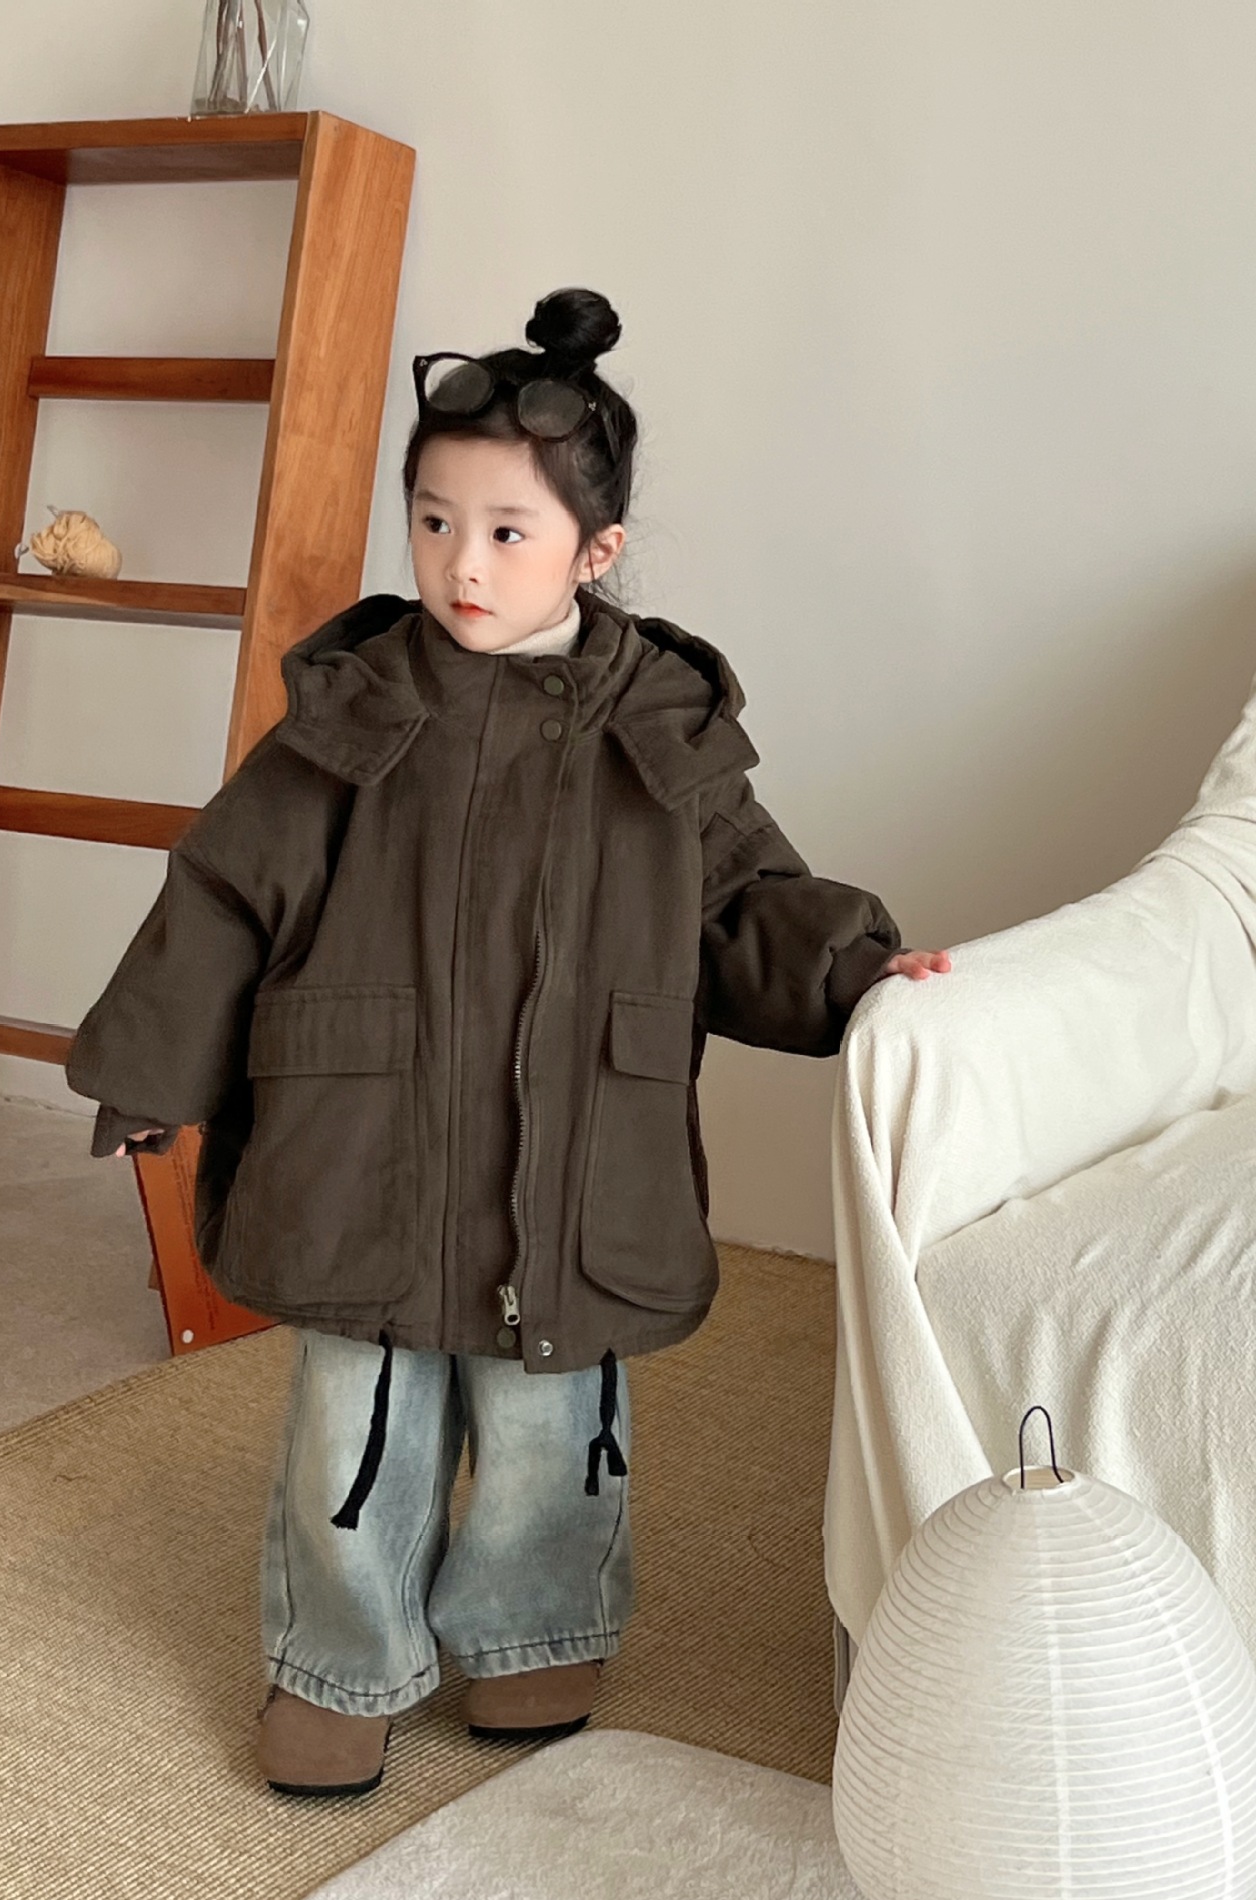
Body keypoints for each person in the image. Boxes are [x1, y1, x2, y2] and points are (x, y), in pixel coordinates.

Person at [64, 286, 952, 1801]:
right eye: (432, 523)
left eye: (505, 531)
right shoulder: (359, 709)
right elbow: (227, 887)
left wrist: (862, 971)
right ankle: (338, 1668)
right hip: (370, 1129)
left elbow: (743, 895)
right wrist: (154, 1069)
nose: (460, 565)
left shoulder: (656, 723)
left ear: (596, 550)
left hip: (580, 1140)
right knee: (358, 1423)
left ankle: (535, 1637)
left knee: (556, 1416)